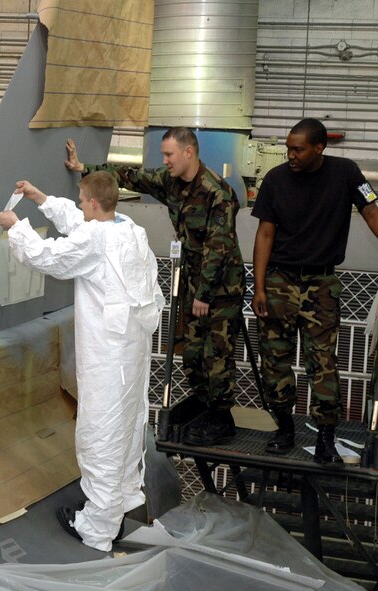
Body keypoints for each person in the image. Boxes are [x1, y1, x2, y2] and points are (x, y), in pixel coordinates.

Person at [0, 172, 164, 552]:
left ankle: (97, 529)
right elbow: (83, 227)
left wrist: (16, 228)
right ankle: (116, 510)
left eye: (80, 199)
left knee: (100, 436)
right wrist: (41, 198)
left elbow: (51, 257)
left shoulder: (96, 239)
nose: (80, 204)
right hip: (130, 354)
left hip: (108, 357)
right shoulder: (128, 229)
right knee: (122, 432)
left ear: (90, 201)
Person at [64, 129, 245, 447]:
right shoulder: (170, 181)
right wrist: (85, 168)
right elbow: (131, 176)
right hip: (193, 283)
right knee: (191, 353)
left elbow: (220, 246)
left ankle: (221, 421)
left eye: (169, 155)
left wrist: (203, 294)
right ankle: (205, 409)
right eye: (163, 155)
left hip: (219, 288)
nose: (164, 161)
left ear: (189, 152)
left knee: (215, 355)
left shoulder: (218, 192)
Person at [250, 118, 378, 463]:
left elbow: (371, 211)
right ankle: (284, 427)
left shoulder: (346, 173)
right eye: (288, 148)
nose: (290, 154)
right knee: (274, 359)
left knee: (322, 362)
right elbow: (264, 234)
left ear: (319, 148)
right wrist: (259, 287)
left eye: (298, 149)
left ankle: (326, 436)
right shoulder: (276, 180)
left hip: (321, 283)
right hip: (280, 280)